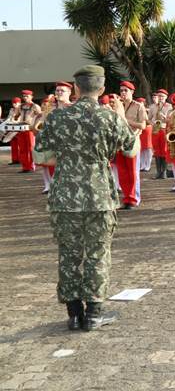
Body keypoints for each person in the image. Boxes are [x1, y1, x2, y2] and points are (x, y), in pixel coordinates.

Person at [34, 64, 136, 331]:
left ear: (76, 88)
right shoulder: (110, 117)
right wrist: (122, 118)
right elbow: (131, 150)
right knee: (97, 254)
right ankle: (94, 314)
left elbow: (40, 157)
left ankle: (74, 313)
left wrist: (68, 160)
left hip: (65, 198)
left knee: (68, 254)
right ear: (101, 89)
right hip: (100, 197)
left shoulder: (57, 118)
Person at [116, 81, 147, 210]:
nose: (123, 93)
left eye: (126, 90)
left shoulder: (138, 106)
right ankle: (127, 198)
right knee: (122, 173)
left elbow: (143, 125)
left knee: (133, 172)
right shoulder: (118, 106)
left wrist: (124, 119)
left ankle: (134, 198)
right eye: (121, 90)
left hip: (132, 141)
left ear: (132, 92)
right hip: (119, 142)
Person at [14, 89, 41, 173]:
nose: (25, 98)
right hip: (21, 129)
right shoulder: (20, 106)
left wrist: (36, 126)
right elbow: (16, 116)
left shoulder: (35, 106)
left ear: (31, 97)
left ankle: (31, 166)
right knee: (22, 149)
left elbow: (40, 117)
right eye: (24, 96)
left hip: (30, 129)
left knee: (31, 148)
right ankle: (25, 167)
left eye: (27, 96)